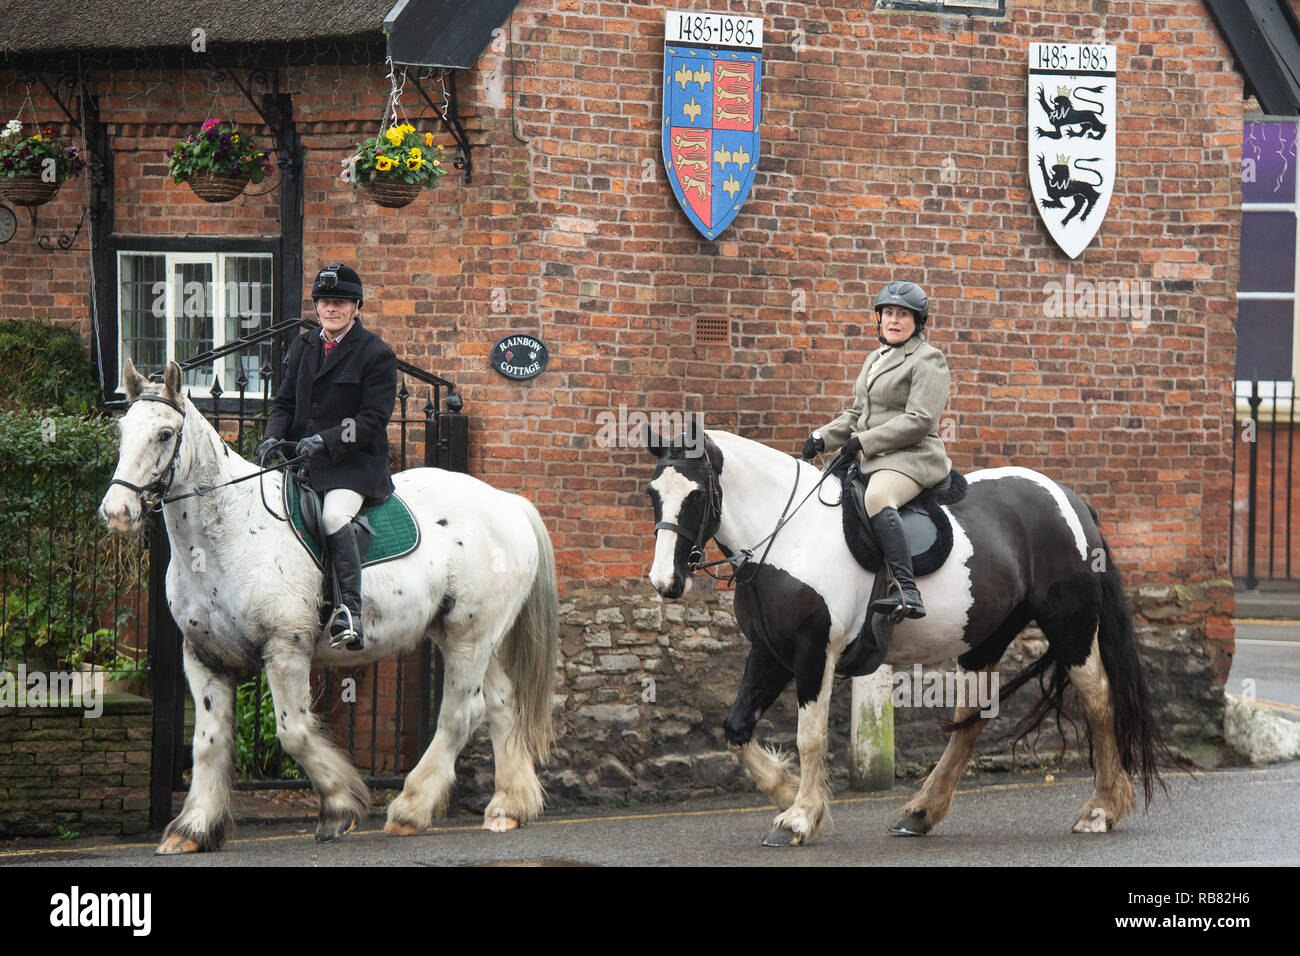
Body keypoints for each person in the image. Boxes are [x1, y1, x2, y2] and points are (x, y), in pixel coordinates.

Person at [259, 263, 397, 649]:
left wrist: (327, 439)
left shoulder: (375, 353)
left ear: (355, 307)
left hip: (353, 465)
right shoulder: (304, 346)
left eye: (339, 302)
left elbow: (373, 420)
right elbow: (284, 403)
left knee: (334, 515)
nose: (330, 309)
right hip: (302, 461)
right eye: (324, 302)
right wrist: (272, 437)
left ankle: (349, 611)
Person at [802, 280, 951, 620]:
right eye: (887, 313)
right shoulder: (875, 358)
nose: (893, 320)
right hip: (871, 455)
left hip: (912, 456)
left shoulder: (929, 359)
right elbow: (857, 415)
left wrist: (864, 441)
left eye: (902, 314)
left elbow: (920, 419)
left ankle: (906, 590)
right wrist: (821, 437)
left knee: (876, 498)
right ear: (879, 319)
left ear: (918, 322)